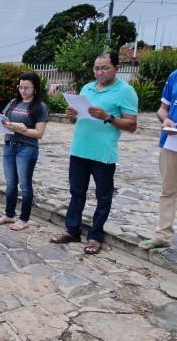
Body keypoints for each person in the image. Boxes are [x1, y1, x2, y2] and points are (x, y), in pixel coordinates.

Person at [51, 51, 137, 254]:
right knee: (76, 192)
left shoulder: (126, 91)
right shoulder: (87, 87)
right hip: (80, 149)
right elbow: (79, 118)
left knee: (103, 196)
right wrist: (72, 115)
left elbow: (132, 125)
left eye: (105, 68)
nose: (99, 72)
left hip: (103, 153)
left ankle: (95, 237)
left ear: (116, 68)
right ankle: (72, 230)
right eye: (96, 68)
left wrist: (108, 117)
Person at [0, 72, 49, 231]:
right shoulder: (13, 103)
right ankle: (9, 214)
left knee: (25, 184)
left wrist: (22, 129)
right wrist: (5, 124)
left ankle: (24, 218)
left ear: (35, 89)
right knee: (10, 183)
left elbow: (39, 133)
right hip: (9, 145)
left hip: (26, 148)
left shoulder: (40, 107)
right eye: (20, 87)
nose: (23, 90)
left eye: (27, 88)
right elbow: (3, 120)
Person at [139, 68, 177, 250]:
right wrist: (166, 120)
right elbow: (162, 110)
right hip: (172, 142)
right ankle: (163, 234)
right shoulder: (174, 76)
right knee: (168, 190)